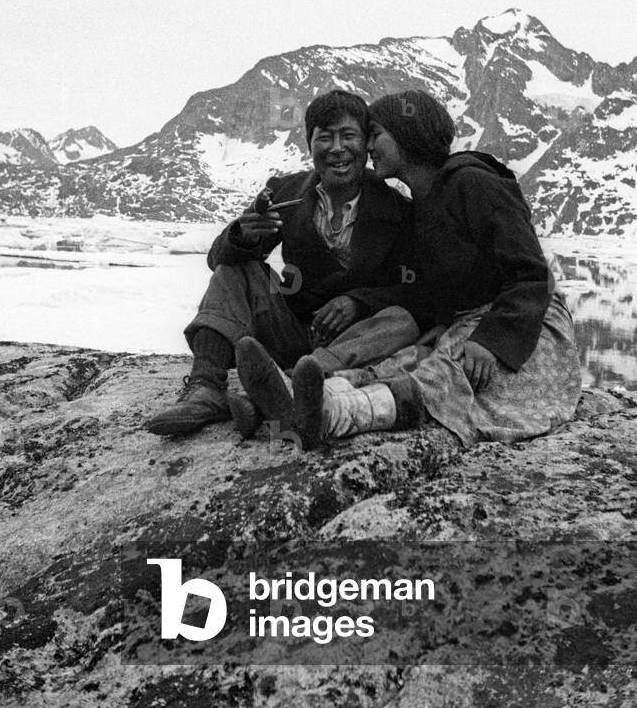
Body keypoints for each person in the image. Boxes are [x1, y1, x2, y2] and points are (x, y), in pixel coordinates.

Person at [241, 88, 582, 449]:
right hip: (467, 324)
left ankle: (331, 415)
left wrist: (492, 339)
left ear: (407, 135)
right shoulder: (421, 205)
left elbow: (534, 276)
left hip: (525, 325)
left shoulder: (475, 183)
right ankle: (291, 402)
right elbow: (434, 288)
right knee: (402, 363)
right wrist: (439, 325)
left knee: (445, 378)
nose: (368, 148)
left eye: (376, 135)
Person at [146, 89, 420, 438]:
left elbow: (415, 287)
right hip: (292, 331)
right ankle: (206, 388)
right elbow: (218, 260)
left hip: (355, 343)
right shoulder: (285, 191)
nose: (336, 148)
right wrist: (243, 236)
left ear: (366, 144)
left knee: (402, 321)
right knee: (236, 270)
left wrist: (358, 302)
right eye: (324, 137)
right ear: (310, 145)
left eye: (348, 135)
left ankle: (281, 391)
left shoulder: (398, 208)